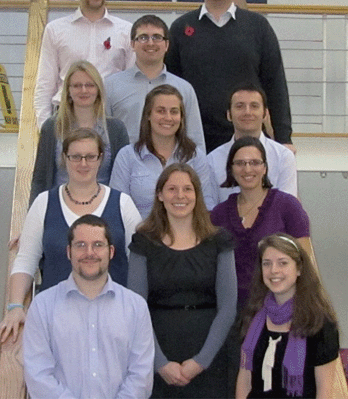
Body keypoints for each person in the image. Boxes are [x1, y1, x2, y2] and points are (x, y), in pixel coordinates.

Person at [0, 128, 141, 344]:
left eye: (90, 157)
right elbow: (26, 260)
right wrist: (15, 306)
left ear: (100, 159)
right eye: (75, 157)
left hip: (113, 322)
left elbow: (139, 262)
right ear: (64, 158)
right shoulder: (44, 204)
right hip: (57, 323)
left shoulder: (123, 204)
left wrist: (136, 308)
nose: (83, 164)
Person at [128, 163, 237, 398]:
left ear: (197, 195)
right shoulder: (143, 242)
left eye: (187, 189)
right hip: (157, 351)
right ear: (159, 195)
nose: (180, 196)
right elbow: (135, 308)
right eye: (171, 189)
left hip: (210, 354)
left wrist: (201, 361)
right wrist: (159, 363)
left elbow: (228, 307)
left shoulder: (220, 241)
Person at [165, 0, 293, 153]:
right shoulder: (181, 28)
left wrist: (284, 138)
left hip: (248, 137)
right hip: (195, 140)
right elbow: (171, 86)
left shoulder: (258, 27)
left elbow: (275, 84)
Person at [23, 214, 154, 399]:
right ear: (69, 252)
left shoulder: (136, 307)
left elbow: (141, 375)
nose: (89, 253)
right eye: (81, 245)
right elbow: (38, 375)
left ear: (111, 252)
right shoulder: (42, 306)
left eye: (98, 245)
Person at [34, 0, 135, 128]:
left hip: (110, 119)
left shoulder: (127, 31)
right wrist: (46, 130)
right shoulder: (55, 30)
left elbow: (131, 86)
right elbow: (45, 86)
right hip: (66, 119)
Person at [211, 136, 310, 310]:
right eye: (240, 163)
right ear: (231, 169)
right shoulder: (218, 214)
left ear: (265, 168)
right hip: (231, 313)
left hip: (279, 308)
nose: (247, 169)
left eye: (255, 162)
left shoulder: (288, 207)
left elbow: (306, 261)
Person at [236, 234, 339, 399]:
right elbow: (245, 379)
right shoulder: (253, 316)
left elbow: (324, 391)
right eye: (266, 264)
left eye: (283, 263)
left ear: (299, 269)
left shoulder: (320, 322)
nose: (274, 270)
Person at [30, 60, 129, 205]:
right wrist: (34, 213)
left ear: (98, 90)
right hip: (58, 208)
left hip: (103, 212)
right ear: (68, 91)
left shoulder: (116, 129)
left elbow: (123, 179)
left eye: (89, 85)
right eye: (77, 86)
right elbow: (40, 178)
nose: (84, 90)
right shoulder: (51, 127)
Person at [110, 84, 215, 219]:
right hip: (140, 236)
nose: (168, 117)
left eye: (174, 111)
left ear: (182, 118)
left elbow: (206, 206)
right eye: (161, 111)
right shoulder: (127, 156)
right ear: (148, 115)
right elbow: (118, 208)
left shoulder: (196, 156)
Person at [104, 14, 205, 150]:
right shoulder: (111, 86)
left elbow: (195, 140)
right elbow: (103, 138)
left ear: (167, 45)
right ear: (132, 44)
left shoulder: (184, 89)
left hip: (171, 168)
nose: (150, 43)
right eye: (143, 37)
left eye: (157, 37)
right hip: (125, 168)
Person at [208, 82, 297, 204]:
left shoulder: (284, 157)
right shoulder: (212, 160)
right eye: (240, 106)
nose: (247, 112)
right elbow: (209, 211)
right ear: (229, 114)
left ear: (265, 114)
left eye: (254, 106)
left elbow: (288, 209)